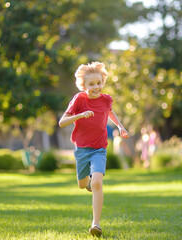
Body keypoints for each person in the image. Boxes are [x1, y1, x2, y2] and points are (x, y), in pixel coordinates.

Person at [59, 62, 129, 237]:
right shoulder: (79, 100)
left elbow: (110, 112)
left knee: (98, 182)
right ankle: (87, 182)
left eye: (98, 82)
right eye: (91, 84)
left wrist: (120, 127)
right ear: (83, 86)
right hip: (82, 149)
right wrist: (80, 115)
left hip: (99, 149)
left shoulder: (106, 99)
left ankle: (96, 224)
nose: (96, 87)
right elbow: (62, 122)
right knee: (83, 184)